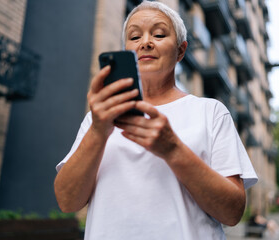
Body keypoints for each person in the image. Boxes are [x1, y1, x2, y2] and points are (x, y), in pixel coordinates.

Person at [54, 1, 258, 239]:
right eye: (134, 37)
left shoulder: (210, 112)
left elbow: (232, 212)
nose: (146, 42)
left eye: (159, 34)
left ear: (181, 51)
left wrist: (172, 149)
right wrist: (99, 131)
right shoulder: (98, 118)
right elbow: (67, 201)